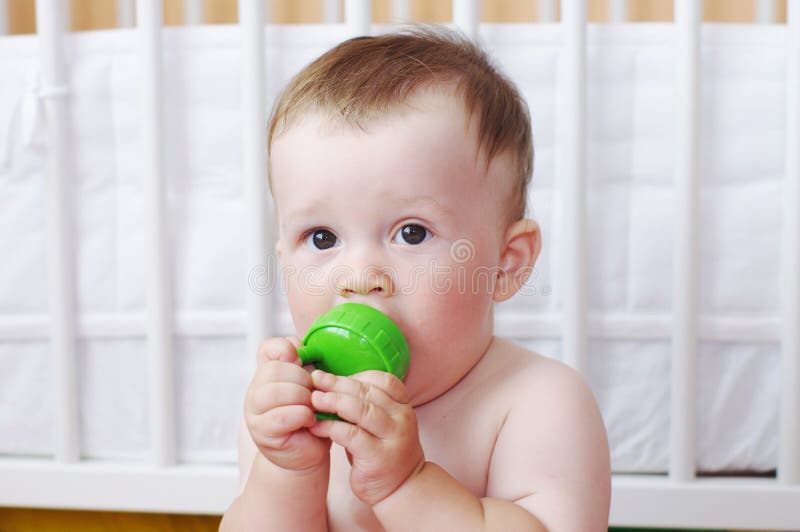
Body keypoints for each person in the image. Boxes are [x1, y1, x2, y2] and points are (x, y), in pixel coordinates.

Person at [220, 25, 610, 531]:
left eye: (411, 233)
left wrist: (406, 485)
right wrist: (285, 474)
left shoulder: (539, 402)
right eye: (321, 238)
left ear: (505, 263)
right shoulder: (289, 409)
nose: (360, 278)